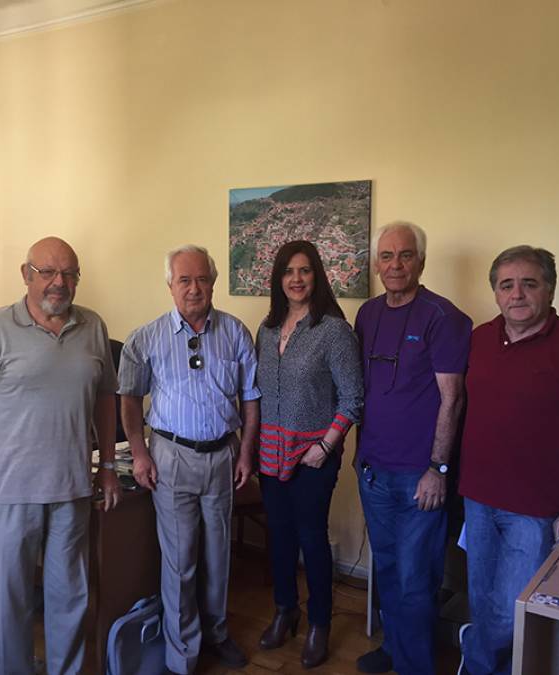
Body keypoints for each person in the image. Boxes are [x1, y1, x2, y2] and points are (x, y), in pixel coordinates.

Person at [0, 237, 121, 675]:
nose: (58, 282)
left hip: (72, 488)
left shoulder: (93, 326)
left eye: (68, 273)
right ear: (26, 275)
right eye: (47, 272)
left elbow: (106, 399)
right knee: (14, 600)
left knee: (70, 597)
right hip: (10, 492)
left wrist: (106, 467)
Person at [457, 246, 559, 675]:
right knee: (481, 599)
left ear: (550, 289)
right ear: (495, 292)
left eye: (529, 283)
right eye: (506, 285)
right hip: (477, 498)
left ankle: (475, 649)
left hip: (536, 509)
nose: (517, 294)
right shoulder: (479, 339)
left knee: (511, 612)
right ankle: (483, 666)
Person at [118, 244, 260, 675]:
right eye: (185, 280)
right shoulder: (147, 338)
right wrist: (139, 454)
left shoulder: (235, 332)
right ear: (170, 285)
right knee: (180, 562)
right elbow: (129, 398)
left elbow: (250, 398)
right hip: (171, 457)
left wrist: (246, 452)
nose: (194, 288)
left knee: (218, 555)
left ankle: (216, 632)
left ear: (213, 283)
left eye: (202, 279)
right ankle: (183, 655)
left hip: (223, 456)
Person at [353, 221, 472, 675]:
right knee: (387, 570)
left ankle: (414, 665)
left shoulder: (444, 318)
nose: (395, 265)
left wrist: (438, 469)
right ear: (376, 264)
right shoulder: (367, 314)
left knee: (415, 579)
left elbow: (452, 398)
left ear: (421, 261)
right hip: (374, 469)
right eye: (386, 256)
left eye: (405, 255)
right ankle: (394, 646)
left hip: (419, 476)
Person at [255, 241, 363, 668]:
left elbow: (352, 398)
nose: (296, 279)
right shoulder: (266, 330)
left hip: (313, 456)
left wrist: (325, 447)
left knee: (311, 538)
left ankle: (319, 622)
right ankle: (286, 609)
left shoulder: (333, 330)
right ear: (278, 279)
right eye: (288, 271)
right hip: (270, 455)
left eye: (304, 270)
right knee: (279, 537)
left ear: (317, 275)